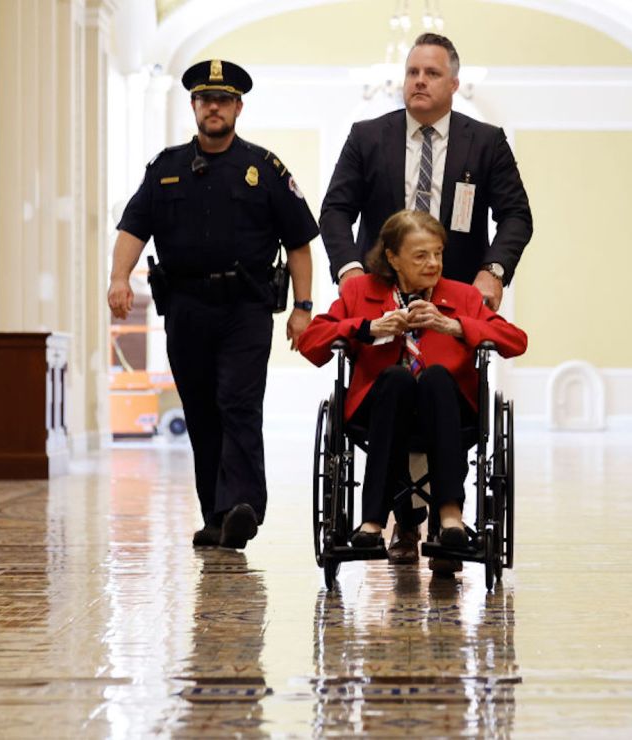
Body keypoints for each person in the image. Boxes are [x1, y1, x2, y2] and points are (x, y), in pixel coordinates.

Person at [320, 31, 532, 564]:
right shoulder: (368, 137)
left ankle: (445, 517)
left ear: (454, 83)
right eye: (412, 71)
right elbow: (335, 211)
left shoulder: (484, 142)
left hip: (456, 295)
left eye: (431, 73)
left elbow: (515, 216)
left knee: (437, 384)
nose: (418, 80)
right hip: (382, 294)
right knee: (393, 383)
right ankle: (403, 524)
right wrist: (349, 272)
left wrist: (492, 271)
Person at [107, 60, 319, 549]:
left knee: (237, 403)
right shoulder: (165, 169)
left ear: (238, 107)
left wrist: (303, 306)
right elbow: (132, 228)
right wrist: (119, 277)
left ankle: (244, 504)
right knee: (201, 411)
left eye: (224, 99)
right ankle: (216, 513)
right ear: (194, 107)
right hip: (185, 307)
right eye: (206, 99)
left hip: (245, 307)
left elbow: (301, 242)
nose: (215, 107)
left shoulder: (265, 168)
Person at [297, 210, 527, 573]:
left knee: (435, 377)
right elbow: (310, 344)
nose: (433, 263)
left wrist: (454, 325)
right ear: (392, 257)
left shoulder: (463, 296)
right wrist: (366, 327)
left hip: (449, 414)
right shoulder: (360, 292)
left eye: (438, 253)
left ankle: (450, 516)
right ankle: (373, 522)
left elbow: (516, 341)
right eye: (421, 255)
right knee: (397, 379)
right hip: (379, 411)